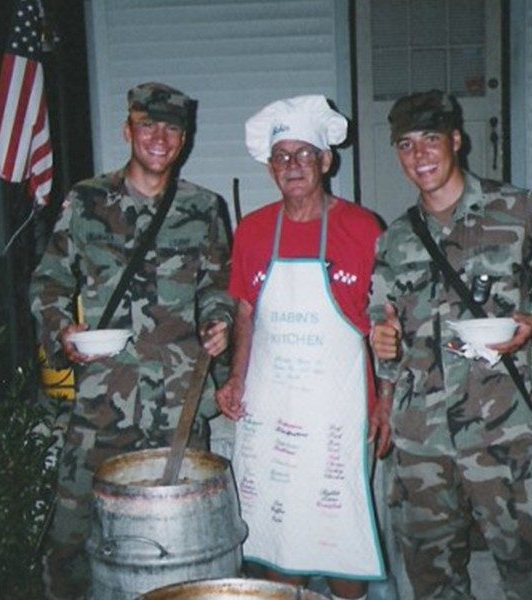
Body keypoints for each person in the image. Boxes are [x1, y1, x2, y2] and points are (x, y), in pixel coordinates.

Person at [368, 90, 532, 599]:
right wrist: (381, 344)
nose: (420, 155)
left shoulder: (521, 211)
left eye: (431, 139)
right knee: (433, 586)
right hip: (420, 443)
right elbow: (381, 318)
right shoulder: (396, 239)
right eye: (405, 145)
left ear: (456, 140)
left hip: (504, 435)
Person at [29, 82, 234, 600]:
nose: (159, 137)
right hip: (102, 399)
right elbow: (49, 280)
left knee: (184, 539)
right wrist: (63, 331)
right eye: (148, 125)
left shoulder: (203, 208)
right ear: (128, 131)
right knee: (72, 534)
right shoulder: (87, 200)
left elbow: (218, 287)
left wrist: (218, 323)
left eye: (171, 128)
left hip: (177, 404)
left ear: (184, 139)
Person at [215, 95, 386, 600]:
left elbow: (387, 322)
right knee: (280, 542)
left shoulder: (364, 228)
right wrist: (235, 378)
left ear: (326, 161)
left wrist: (388, 401)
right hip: (273, 407)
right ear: (269, 166)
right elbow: (246, 311)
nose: (292, 166)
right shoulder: (252, 231)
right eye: (281, 157)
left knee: (343, 542)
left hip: (340, 410)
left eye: (304, 155)